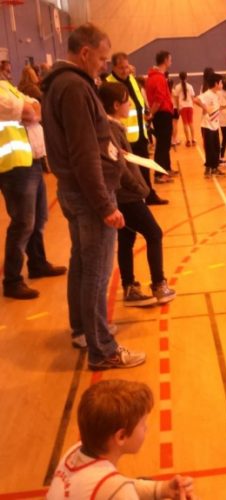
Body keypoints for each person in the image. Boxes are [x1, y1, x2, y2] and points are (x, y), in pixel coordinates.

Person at [41, 23, 146, 368]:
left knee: (83, 265)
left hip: (75, 191)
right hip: (89, 195)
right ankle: (103, 349)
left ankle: (84, 331)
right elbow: (84, 153)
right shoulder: (74, 87)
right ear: (85, 53)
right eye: (101, 59)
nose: (104, 66)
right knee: (97, 274)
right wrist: (104, 205)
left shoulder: (63, 83)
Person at [47, 379, 195, 499]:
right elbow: (118, 490)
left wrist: (163, 489)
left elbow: (119, 486)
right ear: (121, 436)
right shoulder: (119, 492)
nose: (146, 428)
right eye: (143, 423)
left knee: (146, 481)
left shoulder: (74, 451)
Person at [99, 82, 177, 307]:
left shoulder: (113, 128)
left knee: (126, 238)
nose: (130, 106)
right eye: (127, 102)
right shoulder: (110, 129)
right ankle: (159, 285)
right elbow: (120, 168)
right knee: (154, 233)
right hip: (126, 195)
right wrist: (141, 189)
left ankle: (130, 288)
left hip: (124, 194)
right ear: (116, 105)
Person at [0, 78, 66, 300]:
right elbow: (30, 111)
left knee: (39, 218)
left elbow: (36, 105)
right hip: (13, 166)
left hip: (31, 161)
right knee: (23, 224)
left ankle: (37, 263)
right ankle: (12, 280)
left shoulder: (5, 87)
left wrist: (32, 110)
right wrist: (30, 111)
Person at [107, 52, 167, 205]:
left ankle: (149, 195)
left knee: (144, 168)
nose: (125, 70)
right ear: (114, 67)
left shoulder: (132, 79)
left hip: (140, 133)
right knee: (128, 172)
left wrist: (145, 110)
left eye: (126, 67)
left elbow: (138, 99)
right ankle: (135, 200)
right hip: (123, 137)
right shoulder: (109, 84)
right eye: (121, 68)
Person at [146, 50, 178, 184]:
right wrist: (152, 113)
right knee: (162, 146)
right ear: (165, 60)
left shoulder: (156, 76)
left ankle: (166, 169)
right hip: (162, 114)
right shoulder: (158, 78)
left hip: (163, 114)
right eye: (170, 59)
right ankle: (159, 174)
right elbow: (158, 100)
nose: (171, 61)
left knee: (164, 144)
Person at [194, 72, 225, 179]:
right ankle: (208, 169)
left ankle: (215, 168)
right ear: (216, 84)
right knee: (209, 148)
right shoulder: (207, 94)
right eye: (221, 83)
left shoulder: (217, 94)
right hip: (207, 126)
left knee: (216, 148)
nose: (222, 84)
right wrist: (204, 108)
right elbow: (196, 99)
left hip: (215, 126)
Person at [172, 71, 196, 146]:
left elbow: (176, 99)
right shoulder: (190, 86)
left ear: (179, 78)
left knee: (185, 124)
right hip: (190, 106)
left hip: (182, 107)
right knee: (191, 123)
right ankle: (193, 139)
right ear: (186, 77)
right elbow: (193, 98)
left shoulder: (177, 87)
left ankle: (188, 140)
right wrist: (192, 106)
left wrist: (177, 108)